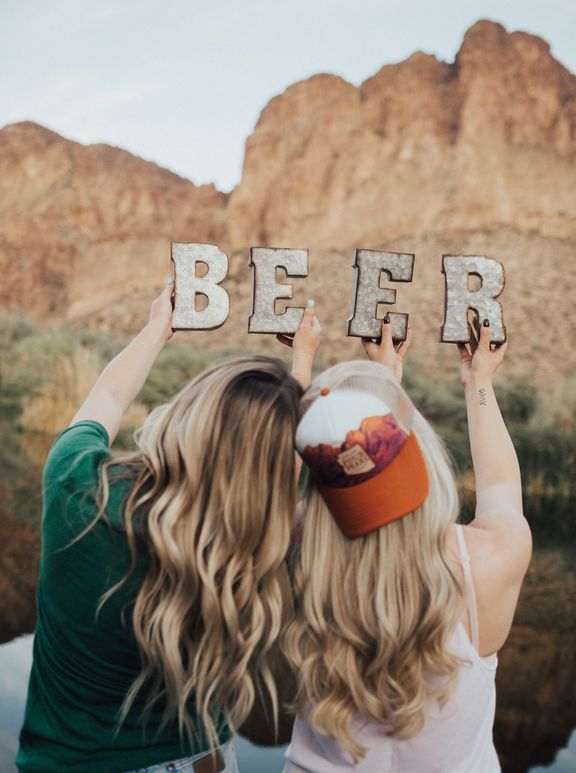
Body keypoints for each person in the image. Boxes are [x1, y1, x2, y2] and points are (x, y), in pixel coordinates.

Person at [16, 282, 322, 773]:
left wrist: (159, 326)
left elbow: (110, 395)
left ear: (187, 413)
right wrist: (300, 368)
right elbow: (276, 468)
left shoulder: (77, 485)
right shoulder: (256, 537)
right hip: (203, 761)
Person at [284, 318, 532, 772]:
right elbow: (499, 483)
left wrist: (300, 366)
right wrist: (479, 381)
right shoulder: (488, 562)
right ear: (422, 456)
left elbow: (271, 484)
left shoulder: (294, 553)